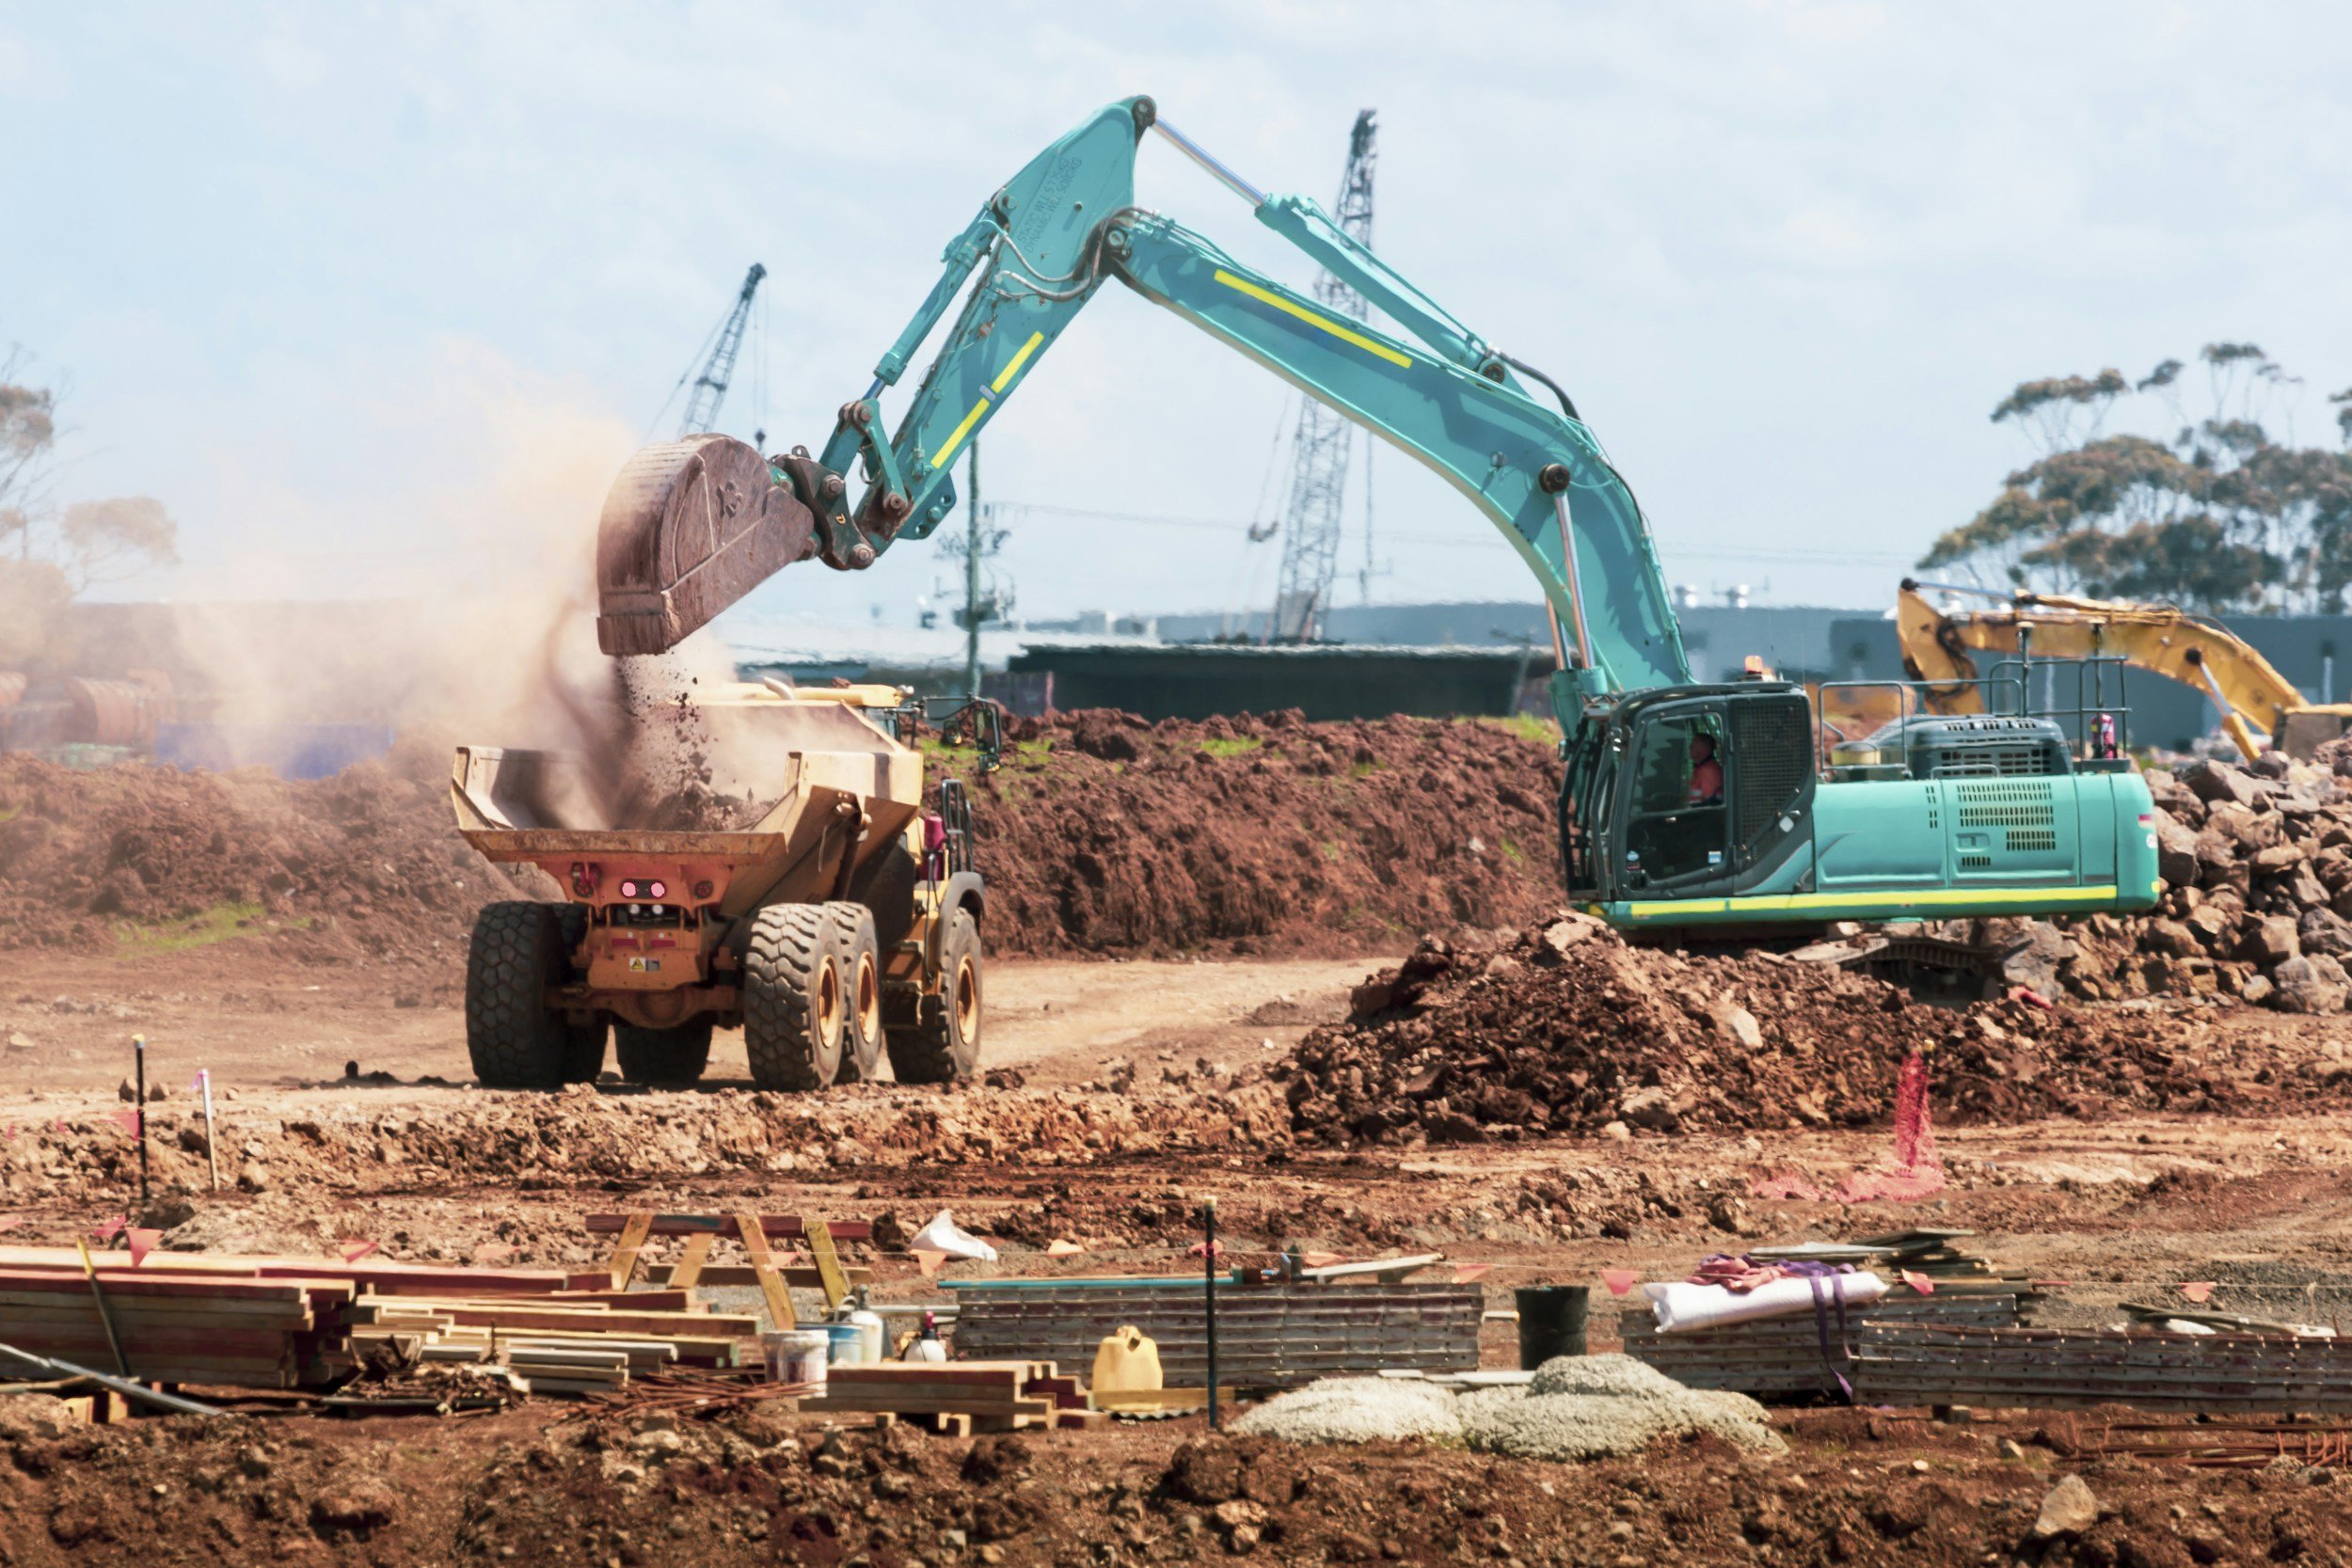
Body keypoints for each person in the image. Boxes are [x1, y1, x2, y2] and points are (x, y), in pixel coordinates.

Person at [1686, 734, 1724, 806]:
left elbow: (1707, 805)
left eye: (1694, 745)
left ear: (1705, 748)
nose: (1690, 747)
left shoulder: (1709, 771)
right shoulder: (1700, 768)